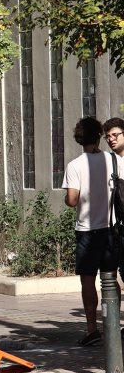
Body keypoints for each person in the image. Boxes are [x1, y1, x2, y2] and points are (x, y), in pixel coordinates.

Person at [64, 118, 117, 347]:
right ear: (99, 136)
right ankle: (113, 327)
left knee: (88, 280)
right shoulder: (112, 160)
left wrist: (68, 197)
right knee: (110, 278)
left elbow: (72, 200)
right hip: (111, 228)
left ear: (78, 138)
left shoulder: (75, 165)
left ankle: (92, 329)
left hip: (87, 230)